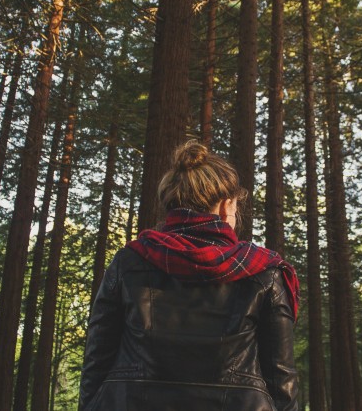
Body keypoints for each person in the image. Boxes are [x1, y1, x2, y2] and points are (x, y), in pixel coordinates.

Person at [80, 141, 299, 411]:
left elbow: (96, 362)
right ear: (225, 206)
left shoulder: (129, 262)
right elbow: (281, 379)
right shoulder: (264, 272)